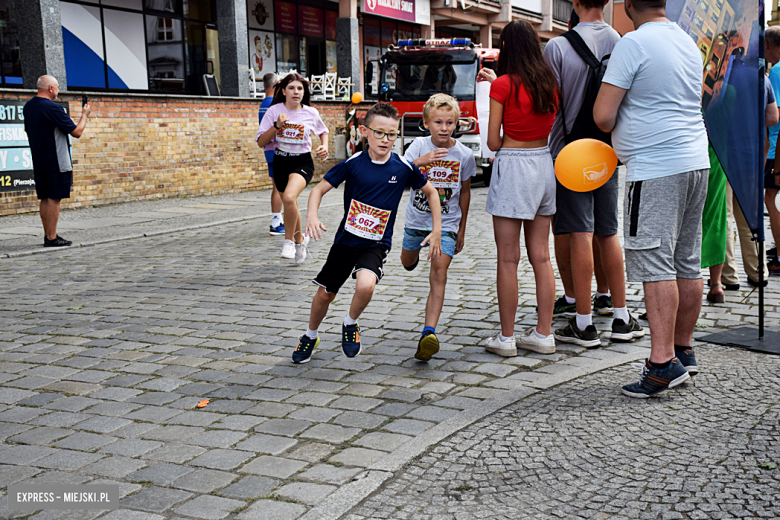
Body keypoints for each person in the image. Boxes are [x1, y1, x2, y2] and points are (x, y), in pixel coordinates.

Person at [594, 0, 710, 398]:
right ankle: (683, 349)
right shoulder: (687, 41)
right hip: (695, 159)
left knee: (655, 261)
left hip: (656, 164)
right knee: (686, 259)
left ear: (628, 6)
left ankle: (661, 364)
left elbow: (603, 116)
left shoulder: (633, 43)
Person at [291, 103, 442, 364]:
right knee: (325, 293)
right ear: (364, 131)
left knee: (366, 284)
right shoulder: (353, 164)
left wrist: (437, 228)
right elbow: (317, 190)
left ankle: (350, 324)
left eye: (392, 134)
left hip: (376, 243)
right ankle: (310, 334)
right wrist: (312, 216)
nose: (385, 140)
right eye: (379, 133)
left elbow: (431, 192)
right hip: (346, 241)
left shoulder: (403, 166)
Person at [544, 0, 644, 348]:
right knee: (608, 232)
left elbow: (549, 103)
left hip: (568, 152)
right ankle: (620, 315)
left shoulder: (556, 47)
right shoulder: (621, 42)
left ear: (574, 2)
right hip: (606, 151)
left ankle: (584, 323)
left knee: (580, 233)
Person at [476, 20, 559, 356]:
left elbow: (493, 141)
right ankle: (544, 333)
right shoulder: (550, 83)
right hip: (544, 165)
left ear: (506, 48)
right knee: (541, 256)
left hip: (512, 166)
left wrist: (497, 89)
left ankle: (507, 338)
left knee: (508, 259)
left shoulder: (503, 86)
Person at [400, 94, 476, 361]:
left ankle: (428, 334)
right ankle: (411, 259)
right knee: (407, 261)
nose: (444, 128)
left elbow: (465, 192)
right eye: (438, 122)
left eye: (450, 123)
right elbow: (399, 171)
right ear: (426, 123)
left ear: (457, 124)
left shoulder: (465, 155)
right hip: (416, 222)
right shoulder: (418, 146)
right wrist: (425, 160)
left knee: (439, 271)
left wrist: (462, 229)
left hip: (446, 225)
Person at [705, 77, 778, 301]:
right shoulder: (760, 76)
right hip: (750, 151)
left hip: (721, 149)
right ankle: (758, 271)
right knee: (749, 214)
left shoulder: (717, 75)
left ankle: (728, 276)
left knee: (723, 214)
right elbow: (773, 117)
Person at [257, 73, 329, 263]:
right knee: (291, 204)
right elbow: (261, 141)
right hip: (281, 161)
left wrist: (324, 147)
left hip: (302, 162)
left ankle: (288, 241)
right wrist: (276, 126)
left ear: (303, 92)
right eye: (291, 88)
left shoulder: (310, 113)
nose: (296, 92)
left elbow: (323, 131)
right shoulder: (274, 111)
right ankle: (300, 240)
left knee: (289, 197)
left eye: (299, 88)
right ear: (283, 91)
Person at [23, 75, 91, 248]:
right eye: (58, 87)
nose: (59, 91)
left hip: (39, 158)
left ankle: (48, 235)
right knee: (54, 198)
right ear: (51, 89)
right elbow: (76, 132)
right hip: (57, 160)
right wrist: (84, 115)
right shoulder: (53, 108)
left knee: (45, 198)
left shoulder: (29, 106)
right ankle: (52, 238)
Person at [257, 72, 284, 236]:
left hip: (269, 150)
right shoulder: (274, 105)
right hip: (278, 150)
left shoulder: (263, 104)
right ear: (276, 84)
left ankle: (278, 220)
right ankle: (276, 223)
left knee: (277, 186)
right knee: (280, 187)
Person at [764, 26, 780, 276]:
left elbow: (777, 117)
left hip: (776, 149)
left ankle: (778, 254)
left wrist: (777, 163)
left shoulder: (776, 71)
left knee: (772, 199)